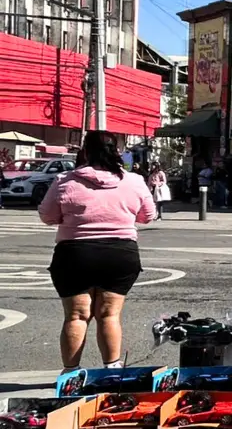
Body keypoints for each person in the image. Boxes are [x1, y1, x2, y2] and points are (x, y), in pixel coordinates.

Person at [38, 131, 156, 371]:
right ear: (117, 151)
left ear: (85, 151)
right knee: (109, 314)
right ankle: (111, 369)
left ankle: (71, 374)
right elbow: (148, 216)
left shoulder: (65, 180)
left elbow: (47, 216)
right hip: (119, 253)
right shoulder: (134, 181)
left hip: (75, 253)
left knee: (76, 316)